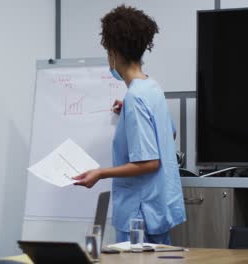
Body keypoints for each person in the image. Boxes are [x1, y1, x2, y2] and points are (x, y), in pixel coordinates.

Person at [73, 5, 186, 244]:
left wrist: (100, 173)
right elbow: (169, 133)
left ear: (113, 53)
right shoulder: (151, 87)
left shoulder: (135, 98)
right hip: (158, 208)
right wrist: (128, 115)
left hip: (140, 216)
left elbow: (149, 162)